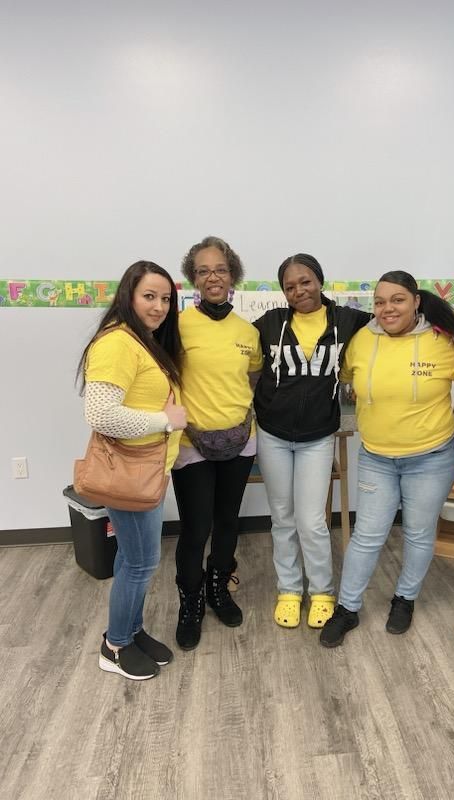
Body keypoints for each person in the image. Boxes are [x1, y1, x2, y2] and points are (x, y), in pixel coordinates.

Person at [320, 271, 454, 647]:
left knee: (418, 532)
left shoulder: (443, 340)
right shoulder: (362, 340)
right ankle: (347, 609)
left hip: (432, 457)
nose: (387, 309)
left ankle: (405, 599)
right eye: (380, 302)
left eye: (397, 300)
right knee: (367, 535)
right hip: (377, 457)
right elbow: (346, 378)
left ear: (416, 301)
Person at [77, 261, 187, 681]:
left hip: (147, 470)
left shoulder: (142, 341)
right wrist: (165, 421)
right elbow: (101, 414)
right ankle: (115, 646)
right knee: (140, 563)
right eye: (149, 296)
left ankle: (132, 630)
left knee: (133, 558)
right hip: (130, 471)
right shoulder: (117, 343)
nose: (159, 306)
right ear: (128, 295)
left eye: (165, 299)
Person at [253, 254, 370, 629]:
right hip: (272, 433)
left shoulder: (347, 321)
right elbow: (237, 357)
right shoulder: (270, 323)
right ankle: (289, 590)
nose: (299, 290)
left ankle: (322, 592)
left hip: (318, 436)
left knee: (312, 521)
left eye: (305, 281)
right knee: (282, 518)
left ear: (319, 280)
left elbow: (392, 325)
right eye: (289, 286)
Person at [172, 236, 262, 650]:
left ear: (233, 275)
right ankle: (190, 602)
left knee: (227, 522)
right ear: (193, 277)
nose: (213, 277)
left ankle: (218, 588)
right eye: (204, 270)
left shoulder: (248, 332)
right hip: (191, 444)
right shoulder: (176, 327)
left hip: (240, 441)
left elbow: (252, 377)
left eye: (221, 269)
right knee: (196, 528)